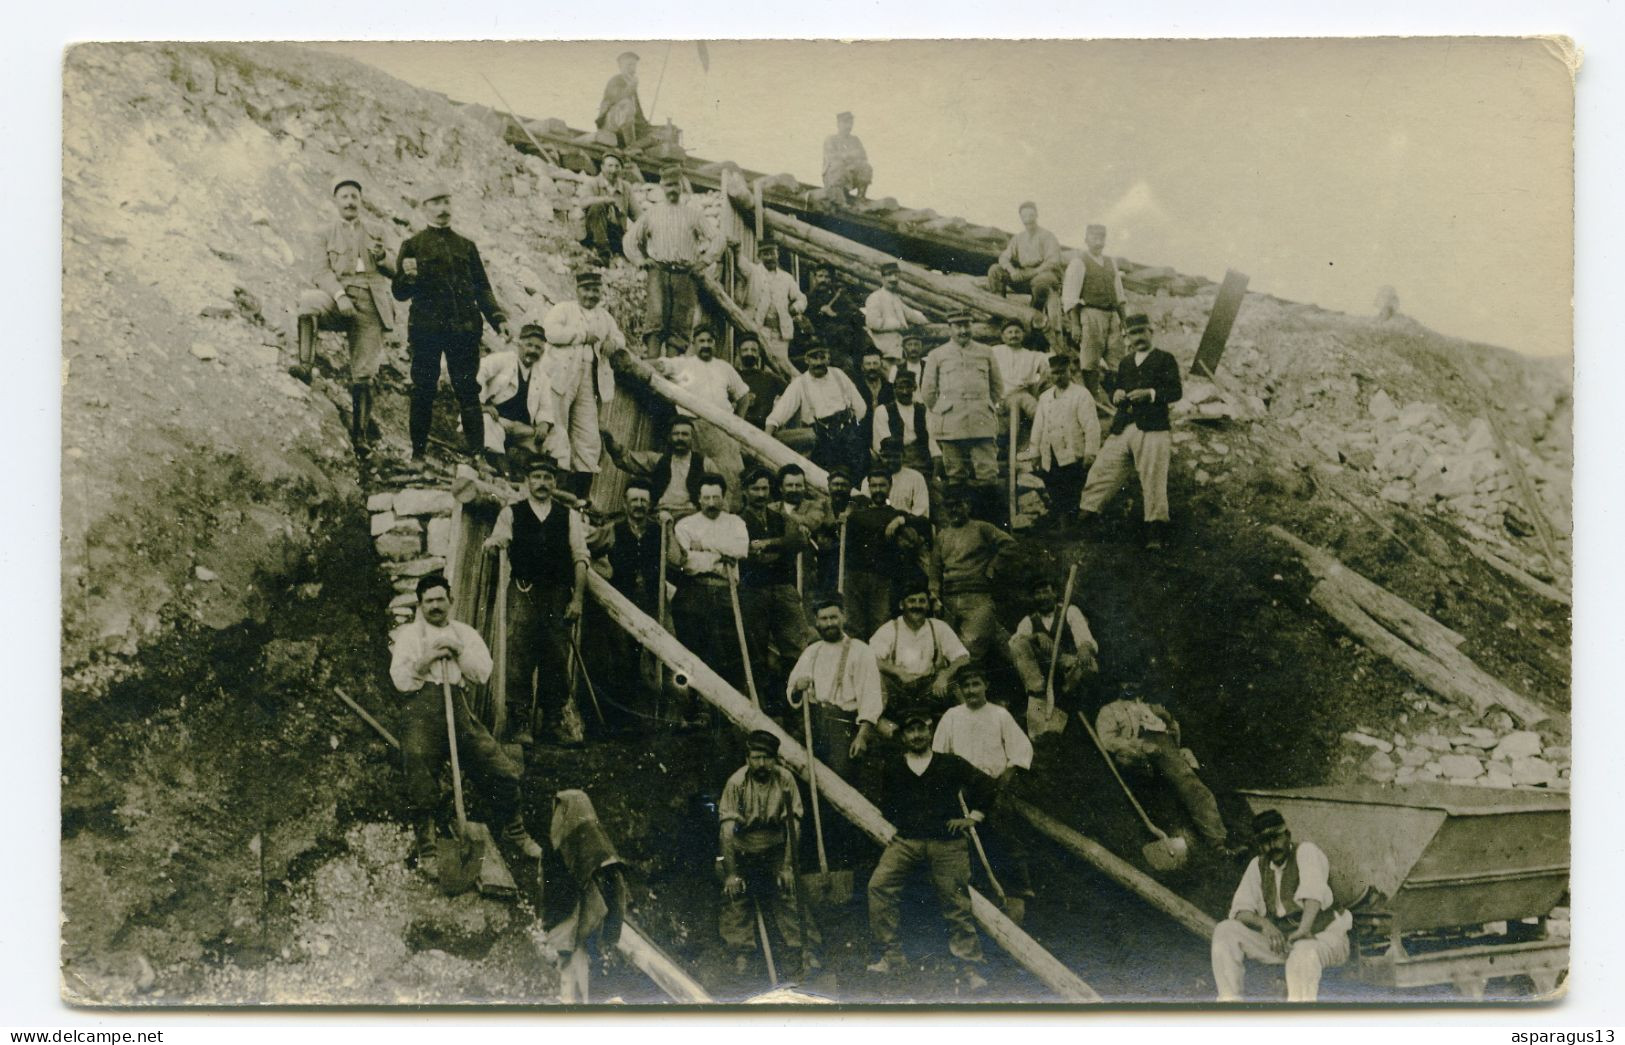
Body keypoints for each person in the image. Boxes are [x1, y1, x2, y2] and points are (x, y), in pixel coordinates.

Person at [389, 574, 541, 872]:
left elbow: (482, 673)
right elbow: (400, 680)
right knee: (419, 764)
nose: (435, 605)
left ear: (450, 601)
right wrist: (428, 659)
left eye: (440, 599)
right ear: (420, 605)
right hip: (421, 711)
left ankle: (516, 833)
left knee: (496, 763)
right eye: (428, 601)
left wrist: (457, 650)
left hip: (457, 708)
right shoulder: (409, 636)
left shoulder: (465, 633)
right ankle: (429, 850)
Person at [866, 708, 993, 990]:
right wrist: (903, 826)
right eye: (910, 731)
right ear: (903, 736)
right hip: (907, 842)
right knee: (879, 886)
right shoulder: (895, 766)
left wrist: (972, 818)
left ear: (930, 731)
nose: (917, 735)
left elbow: (985, 785)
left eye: (921, 729)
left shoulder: (949, 763)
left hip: (947, 843)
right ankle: (892, 956)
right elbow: (887, 804)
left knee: (956, 900)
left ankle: (969, 966)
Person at [392, 183, 510, 465]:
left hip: (464, 332)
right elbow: (399, 293)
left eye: (446, 201)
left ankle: (477, 455)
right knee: (423, 389)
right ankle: (418, 453)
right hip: (426, 332)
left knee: (469, 392)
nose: (443, 208)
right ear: (424, 208)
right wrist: (407, 278)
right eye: (436, 202)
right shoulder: (412, 245)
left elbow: (483, 288)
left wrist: (499, 319)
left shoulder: (466, 247)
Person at [484, 455, 590, 747]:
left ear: (555, 482)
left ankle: (552, 723)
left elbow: (580, 558)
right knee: (518, 654)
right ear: (527, 481)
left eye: (548, 478)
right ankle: (519, 723)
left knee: (555, 657)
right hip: (523, 591)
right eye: (537, 477)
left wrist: (577, 599)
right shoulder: (512, 513)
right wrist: (494, 545)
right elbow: (500, 540)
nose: (542, 483)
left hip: (557, 595)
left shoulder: (567, 515)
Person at [295, 173, 397, 447]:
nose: (350, 201)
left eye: (354, 196)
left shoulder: (378, 231)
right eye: (345, 196)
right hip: (339, 296)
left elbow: (396, 269)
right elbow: (320, 271)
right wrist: (339, 295)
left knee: (364, 373)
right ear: (335, 201)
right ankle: (305, 365)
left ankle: (360, 435)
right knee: (308, 302)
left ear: (361, 201)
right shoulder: (324, 233)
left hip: (372, 303)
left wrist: (383, 257)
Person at [1212, 810, 1351, 1003]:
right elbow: (1239, 910)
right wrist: (1264, 924)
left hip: (1324, 937)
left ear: (1287, 835)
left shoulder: (1306, 851)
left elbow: (1313, 895)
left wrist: (1303, 929)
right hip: (1286, 943)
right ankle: (1230, 1006)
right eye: (1264, 842)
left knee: (1303, 954)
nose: (1271, 846)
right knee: (1224, 930)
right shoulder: (1258, 865)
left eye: (1275, 838)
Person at [719, 730, 823, 978]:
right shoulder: (736, 783)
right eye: (756, 758)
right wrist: (731, 874)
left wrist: (787, 867)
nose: (761, 764)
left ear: (775, 760)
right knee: (734, 895)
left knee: (790, 891)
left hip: (775, 850)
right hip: (742, 850)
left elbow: (793, 826)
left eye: (767, 758)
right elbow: (726, 831)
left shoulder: (785, 780)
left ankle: (804, 949)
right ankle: (740, 951)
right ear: (747, 759)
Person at [932, 664, 1035, 912]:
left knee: (1002, 829)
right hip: (964, 788)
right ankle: (978, 890)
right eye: (965, 686)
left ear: (985, 685)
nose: (971, 690)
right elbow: (939, 755)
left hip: (995, 784)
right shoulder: (952, 716)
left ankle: (1018, 889)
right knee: (967, 838)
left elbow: (1021, 750)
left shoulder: (999, 714)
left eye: (975, 684)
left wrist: (1007, 776)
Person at [1077, 314, 1182, 548]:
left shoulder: (1165, 359)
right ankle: (1086, 518)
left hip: (1153, 429)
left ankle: (1155, 532)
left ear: (1151, 332)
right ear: (1127, 337)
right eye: (1133, 333)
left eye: (1142, 331)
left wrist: (1151, 394)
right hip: (1124, 426)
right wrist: (1116, 394)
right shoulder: (1125, 362)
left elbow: (1175, 391)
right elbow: (1118, 389)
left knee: (1153, 480)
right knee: (1102, 471)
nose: (1139, 337)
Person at [1096, 691, 1229, 851]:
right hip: (1139, 752)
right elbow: (1108, 740)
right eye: (1126, 681)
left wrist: (1170, 726)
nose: (1131, 686)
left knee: (1191, 784)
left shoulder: (1153, 707)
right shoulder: (1110, 710)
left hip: (1166, 750)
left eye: (1136, 680)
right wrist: (1140, 745)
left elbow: (1173, 732)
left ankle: (1218, 843)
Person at [540, 270, 626, 497]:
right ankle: (555, 489)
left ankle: (580, 496)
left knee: (588, 433)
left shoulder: (604, 317)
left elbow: (619, 337)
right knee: (558, 427)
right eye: (586, 289)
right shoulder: (564, 309)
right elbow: (549, 332)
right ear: (578, 290)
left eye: (595, 290)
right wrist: (581, 335)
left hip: (589, 376)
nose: (590, 295)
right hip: (561, 376)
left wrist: (612, 343)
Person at [738, 467, 815, 713]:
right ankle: (759, 707)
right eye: (755, 489)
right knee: (756, 650)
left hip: (783, 589)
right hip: (753, 591)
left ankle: (797, 706)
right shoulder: (738, 520)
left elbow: (799, 541)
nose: (761, 494)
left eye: (765, 489)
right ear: (745, 491)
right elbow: (749, 553)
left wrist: (770, 544)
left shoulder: (779, 517)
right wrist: (778, 550)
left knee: (795, 647)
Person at [786, 597, 884, 785]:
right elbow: (792, 690)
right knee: (806, 776)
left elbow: (870, 699)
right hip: (814, 723)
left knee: (839, 780)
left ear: (843, 617)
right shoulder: (812, 651)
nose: (829, 623)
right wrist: (798, 687)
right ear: (816, 622)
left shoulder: (860, 651)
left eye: (834, 617)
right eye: (824, 619)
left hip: (843, 726)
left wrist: (862, 737)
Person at [624, 167, 720, 356]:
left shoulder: (693, 214)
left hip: (685, 274)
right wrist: (641, 260)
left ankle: (673, 366)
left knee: (680, 322)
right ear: (662, 187)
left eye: (675, 184)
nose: (672, 189)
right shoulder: (652, 213)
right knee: (656, 317)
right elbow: (630, 239)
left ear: (681, 186)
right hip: (659, 271)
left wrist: (704, 261)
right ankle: (652, 364)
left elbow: (718, 239)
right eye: (668, 185)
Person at [670, 475, 751, 699]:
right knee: (692, 647)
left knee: (728, 648)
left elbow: (741, 550)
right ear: (699, 499)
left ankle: (728, 705)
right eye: (707, 498)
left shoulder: (735, 523)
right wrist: (720, 556)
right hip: (695, 588)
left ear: (724, 497)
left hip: (726, 590)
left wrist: (704, 546)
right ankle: (694, 705)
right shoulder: (685, 525)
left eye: (716, 497)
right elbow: (688, 562)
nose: (712, 503)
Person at [652, 326, 748, 507]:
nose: (706, 345)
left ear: (715, 344)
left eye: (709, 341)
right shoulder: (683, 364)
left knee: (731, 473)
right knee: (696, 473)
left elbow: (743, 396)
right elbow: (657, 365)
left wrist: (738, 423)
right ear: (694, 344)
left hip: (723, 429)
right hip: (692, 428)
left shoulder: (724, 367)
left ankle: (731, 514)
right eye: (701, 341)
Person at [929, 486, 1017, 667]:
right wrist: (934, 594)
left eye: (958, 505)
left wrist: (993, 566)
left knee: (970, 649)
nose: (954, 510)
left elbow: (1009, 545)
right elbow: (935, 569)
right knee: (947, 651)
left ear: (968, 506)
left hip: (977, 598)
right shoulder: (942, 536)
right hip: (949, 600)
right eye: (949, 506)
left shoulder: (981, 528)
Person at [922, 312, 1004, 505]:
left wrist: (982, 405)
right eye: (958, 326)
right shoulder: (938, 355)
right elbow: (928, 392)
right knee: (956, 474)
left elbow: (997, 387)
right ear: (949, 328)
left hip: (981, 420)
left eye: (966, 325)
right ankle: (960, 524)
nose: (963, 330)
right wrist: (944, 408)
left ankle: (988, 521)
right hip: (951, 423)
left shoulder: (986, 352)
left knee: (988, 473)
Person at [842, 466, 930, 641]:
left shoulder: (896, 514)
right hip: (856, 578)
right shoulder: (856, 516)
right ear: (868, 487)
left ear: (890, 487)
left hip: (883, 578)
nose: (877, 490)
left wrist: (900, 520)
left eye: (882, 485)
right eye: (873, 486)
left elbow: (924, 523)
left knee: (881, 626)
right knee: (854, 627)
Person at [869, 580, 970, 722]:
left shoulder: (938, 627)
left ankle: (966, 723)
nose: (917, 606)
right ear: (901, 605)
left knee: (955, 683)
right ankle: (878, 724)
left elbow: (963, 657)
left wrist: (945, 675)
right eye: (911, 601)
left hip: (930, 689)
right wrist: (897, 671)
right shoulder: (891, 628)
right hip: (899, 690)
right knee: (874, 679)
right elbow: (868, 658)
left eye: (922, 601)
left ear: (928, 605)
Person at [763, 342, 868, 477]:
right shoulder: (800, 383)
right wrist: (765, 440)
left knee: (856, 475)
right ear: (806, 360)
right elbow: (776, 417)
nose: (818, 362)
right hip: (821, 441)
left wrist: (852, 427)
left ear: (828, 358)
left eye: (822, 357)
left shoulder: (839, 375)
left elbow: (861, 407)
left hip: (847, 437)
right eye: (814, 358)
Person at [1024, 353, 1099, 530]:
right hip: (1051, 453)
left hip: (1073, 452)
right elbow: (1038, 427)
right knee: (1055, 488)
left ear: (1069, 372)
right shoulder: (1045, 397)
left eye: (1062, 372)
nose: (1058, 376)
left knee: (1074, 489)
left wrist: (1090, 452)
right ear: (1050, 374)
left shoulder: (1081, 394)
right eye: (1055, 373)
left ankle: (1077, 527)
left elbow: (1091, 426)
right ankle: (1064, 527)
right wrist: (1035, 454)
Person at [1009, 574, 1099, 712]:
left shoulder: (1070, 611)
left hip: (1071, 666)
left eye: (1046, 592)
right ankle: (1038, 695)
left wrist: (1085, 647)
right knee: (1020, 644)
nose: (1042, 597)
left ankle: (1078, 705)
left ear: (1055, 593)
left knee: (1089, 665)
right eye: (1037, 594)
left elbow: (1085, 638)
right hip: (1044, 674)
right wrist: (1035, 636)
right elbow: (1013, 643)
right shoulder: (1029, 621)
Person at [476, 320, 555, 476]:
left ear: (542, 352)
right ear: (520, 345)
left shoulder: (542, 376)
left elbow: (546, 407)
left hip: (522, 429)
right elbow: (479, 373)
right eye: (529, 345)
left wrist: (544, 424)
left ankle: (553, 480)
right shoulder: (503, 359)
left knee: (558, 436)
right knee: (485, 421)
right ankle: (496, 468)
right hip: (498, 421)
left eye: (538, 348)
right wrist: (481, 404)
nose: (533, 351)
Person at [1061, 224, 1127, 395]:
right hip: (1091, 313)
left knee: (1116, 357)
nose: (1098, 241)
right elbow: (1070, 296)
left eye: (1101, 237)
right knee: (1090, 360)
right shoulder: (1079, 262)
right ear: (1086, 240)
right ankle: (1092, 397)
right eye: (1094, 237)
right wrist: (1075, 324)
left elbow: (1119, 294)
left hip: (1112, 315)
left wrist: (1124, 321)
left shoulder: (1111, 263)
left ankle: (1117, 399)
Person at [602, 417, 710, 522]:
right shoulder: (658, 460)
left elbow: (720, 495)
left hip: (690, 515)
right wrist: (608, 438)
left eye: (685, 434)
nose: (680, 438)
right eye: (676, 434)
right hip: (659, 514)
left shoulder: (705, 463)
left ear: (692, 438)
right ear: (670, 437)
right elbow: (625, 458)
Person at [986, 202, 1063, 332]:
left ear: (1036, 215)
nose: (1028, 217)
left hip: (1043, 274)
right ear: (1021, 217)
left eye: (1031, 214)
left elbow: (1052, 262)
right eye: (1024, 215)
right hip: (1024, 276)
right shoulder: (1018, 238)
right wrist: (1012, 270)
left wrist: (1033, 272)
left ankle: (1034, 316)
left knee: (1042, 281)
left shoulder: (1047, 236)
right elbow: (1003, 258)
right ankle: (999, 311)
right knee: (995, 270)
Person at [741, 241, 806, 365]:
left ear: (778, 254)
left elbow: (801, 298)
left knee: (780, 365)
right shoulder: (753, 271)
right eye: (765, 254)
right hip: (758, 328)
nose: (770, 257)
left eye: (772, 253)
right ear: (759, 256)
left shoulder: (786, 278)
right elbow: (740, 263)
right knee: (757, 363)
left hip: (780, 332)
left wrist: (795, 308)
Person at [991, 318, 1050, 443]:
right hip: (1001, 396)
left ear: (1023, 335)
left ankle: (1048, 429)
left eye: (1017, 332)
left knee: (1030, 404)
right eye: (1010, 332)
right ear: (1003, 336)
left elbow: (1046, 364)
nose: (1014, 335)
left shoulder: (1031, 355)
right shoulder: (995, 351)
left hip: (1021, 393)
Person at [870, 371, 937, 476]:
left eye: (908, 387)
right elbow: (880, 445)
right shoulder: (882, 411)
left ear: (914, 388)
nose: (905, 392)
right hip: (895, 460)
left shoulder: (924, 410)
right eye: (900, 387)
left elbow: (933, 442)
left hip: (922, 461)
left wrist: (935, 460)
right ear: (894, 389)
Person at [578, 152, 641, 263]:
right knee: (597, 207)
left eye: (617, 166)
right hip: (593, 232)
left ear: (621, 169)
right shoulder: (592, 183)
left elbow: (637, 215)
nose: (613, 170)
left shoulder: (626, 187)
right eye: (610, 166)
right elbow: (583, 203)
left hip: (615, 233)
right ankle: (603, 254)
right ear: (602, 167)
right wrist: (605, 200)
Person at [863, 261, 928, 366]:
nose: (893, 278)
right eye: (889, 275)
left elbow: (909, 314)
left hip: (898, 349)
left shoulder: (895, 298)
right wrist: (897, 325)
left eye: (896, 275)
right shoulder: (875, 298)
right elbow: (872, 322)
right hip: (884, 350)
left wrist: (925, 321)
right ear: (882, 278)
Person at [803, 265, 865, 371]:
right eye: (820, 276)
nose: (823, 280)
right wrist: (819, 312)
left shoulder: (840, 295)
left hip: (846, 343)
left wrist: (835, 314)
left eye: (827, 277)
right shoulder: (808, 299)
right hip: (824, 346)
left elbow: (859, 316)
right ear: (814, 278)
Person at [859, 437, 929, 519]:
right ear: (880, 456)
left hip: (906, 524)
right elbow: (865, 509)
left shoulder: (916, 478)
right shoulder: (870, 480)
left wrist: (902, 521)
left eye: (895, 456)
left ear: (903, 455)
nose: (891, 460)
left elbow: (921, 509)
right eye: (886, 456)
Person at [596, 50, 651, 149]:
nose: (633, 69)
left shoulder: (631, 84)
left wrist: (646, 126)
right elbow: (618, 99)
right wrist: (631, 86)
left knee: (656, 134)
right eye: (629, 65)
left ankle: (634, 146)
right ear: (621, 66)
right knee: (626, 104)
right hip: (610, 123)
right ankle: (631, 146)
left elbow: (638, 112)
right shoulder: (615, 81)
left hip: (627, 124)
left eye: (634, 66)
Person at [736, 334, 787, 431]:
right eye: (745, 350)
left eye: (753, 350)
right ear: (738, 353)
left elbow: (792, 396)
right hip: (737, 431)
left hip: (763, 433)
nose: (749, 353)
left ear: (759, 353)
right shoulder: (732, 376)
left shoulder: (770, 378)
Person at [821, 111, 872, 205]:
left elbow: (863, 156)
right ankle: (840, 200)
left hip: (850, 174)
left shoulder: (855, 140)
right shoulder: (831, 139)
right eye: (845, 123)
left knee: (866, 167)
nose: (848, 126)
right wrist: (850, 156)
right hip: (833, 177)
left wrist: (849, 160)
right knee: (839, 166)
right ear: (838, 124)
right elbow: (833, 158)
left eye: (850, 123)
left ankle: (860, 198)